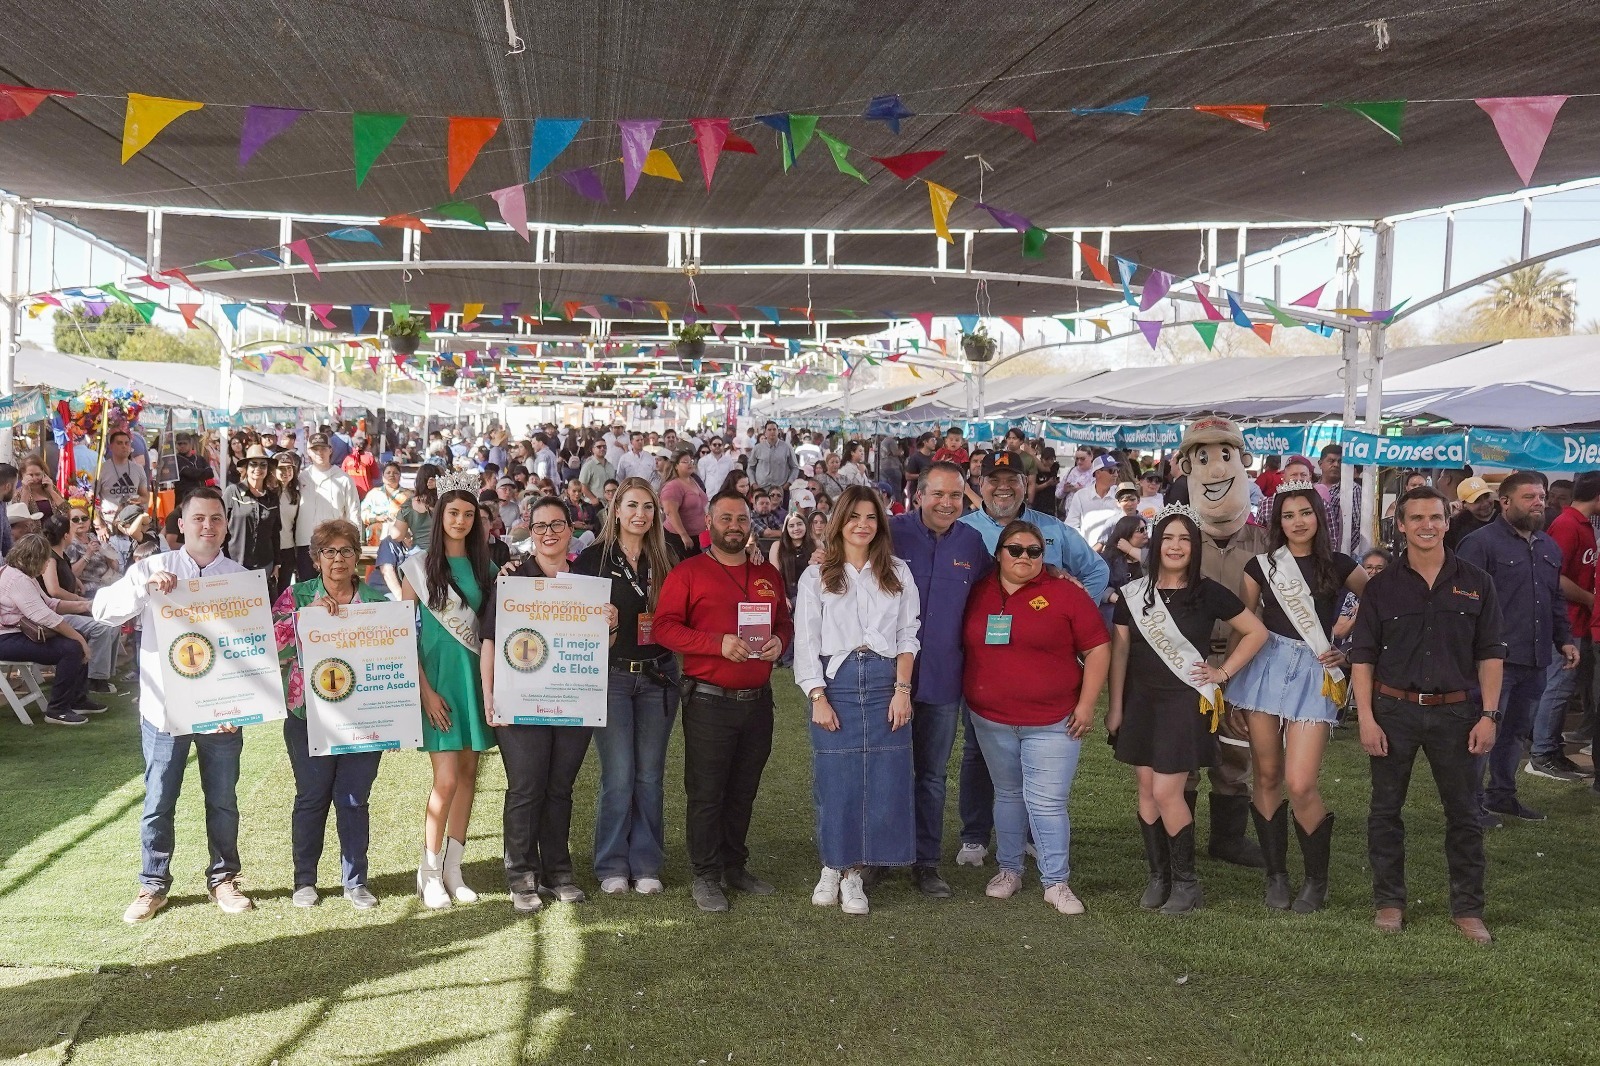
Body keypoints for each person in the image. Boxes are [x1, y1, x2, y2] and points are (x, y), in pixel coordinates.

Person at [1350, 487, 1505, 944]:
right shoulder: (1381, 587)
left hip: (1457, 713)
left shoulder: (1477, 581)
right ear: (1400, 525)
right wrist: (1366, 718)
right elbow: (1363, 657)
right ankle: (1389, 903)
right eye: (1416, 518)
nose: (1426, 526)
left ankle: (1468, 909)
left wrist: (1489, 715)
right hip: (1393, 711)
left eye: (1435, 517)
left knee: (1464, 813)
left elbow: (1491, 653)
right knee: (1385, 811)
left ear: (1446, 521)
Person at [93, 488, 254, 922]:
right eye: (198, 518)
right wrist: (143, 590)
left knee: (222, 799)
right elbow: (102, 611)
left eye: (216, 518)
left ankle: (223, 879)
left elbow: (250, 650)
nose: (208, 526)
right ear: (181, 524)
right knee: (159, 799)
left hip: (220, 712)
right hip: (164, 708)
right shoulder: (152, 568)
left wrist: (240, 705)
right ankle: (152, 884)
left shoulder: (240, 579)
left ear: (226, 525)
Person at [1107, 505, 1268, 914]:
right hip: (1141, 701)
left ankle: (1187, 883)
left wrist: (1223, 671)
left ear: (1194, 546)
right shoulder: (1133, 594)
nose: (1175, 546)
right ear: (1156, 543)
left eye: (1185, 539)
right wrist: (1116, 707)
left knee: (1167, 791)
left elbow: (1256, 631)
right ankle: (1158, 876)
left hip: (1184, 701)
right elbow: (1120, 654)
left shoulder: (1207, 592)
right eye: (1168, 538)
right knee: (1147, 791)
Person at [954, 449, 1108, 867]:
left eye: (1013, 480)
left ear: (1027, 484)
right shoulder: (963, 530)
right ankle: (975, 835)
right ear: (980, 484)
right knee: (977, 752)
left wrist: (1072, 618)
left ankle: (1028, 838)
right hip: (985, 670)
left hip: (1041, 667)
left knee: (1034, 761)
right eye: (994, 479)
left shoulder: (1052, 530)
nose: (1003, 487)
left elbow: (1097, 571)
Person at [1230, 484, 1368, 912]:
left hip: (1314, 671)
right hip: (1265, 671)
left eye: (1305, 512)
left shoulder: (1341, 565)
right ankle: (1276, 875)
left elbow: (1381, 607)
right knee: (1267, 776)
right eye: (1288, 515)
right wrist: (1231, 687)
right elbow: (1243, 626)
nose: (1297, 522)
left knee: (1301, 781)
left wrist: (1349, 651)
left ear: (1319, 517)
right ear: (1278, 523)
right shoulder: (1260, 567)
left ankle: (1315, 881)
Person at [653, 489, 792, 912]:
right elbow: (664, 627)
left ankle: (734, 865)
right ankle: (706, 874)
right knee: (707, 792)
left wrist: (778, 641)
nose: (734, 526)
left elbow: (784, 622)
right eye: (726, 518)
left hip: (758, 701)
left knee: (743, 789)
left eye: (741, 519)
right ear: (708, 523)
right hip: (709, 702)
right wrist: (717, 644)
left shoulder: (766, 573)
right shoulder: (689, 572)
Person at [795, 486, 921, 916]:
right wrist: (817, 696)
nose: (862, 525)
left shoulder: (898, 572)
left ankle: (854, 874)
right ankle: (833, 865)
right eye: (854, 517)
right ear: (839, 522)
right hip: (838, 682)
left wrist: (902, 691)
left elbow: (908, 635)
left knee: (884, 778)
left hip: (886, 681)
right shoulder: (816, 575)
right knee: (836, 780)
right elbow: (806, 641)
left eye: (870, 517)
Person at [482, 496, 599, 912]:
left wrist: (612, 623)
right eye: (540, 526)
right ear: (530, 533)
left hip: (572, 700)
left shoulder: (587, 582)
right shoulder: (512, 580)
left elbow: (600, 645)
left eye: (557, 525)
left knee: (560, 789)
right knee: (526, 788)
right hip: (520, 699)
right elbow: (490, 641)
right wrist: (489, 695)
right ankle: (521, 876)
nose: (549, 533)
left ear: (571, 529)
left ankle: (558, 872)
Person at [1173, 416, 1271, 868]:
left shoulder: (1265, 542)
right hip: (1188, 661)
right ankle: (1179, 838)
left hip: (1246, 660)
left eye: (1225, 456)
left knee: (1236, 750)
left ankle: (1227, 839)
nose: (1214, 469)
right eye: (1202, 458)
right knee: (1185, 751)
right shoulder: (1179, 541)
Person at [272, 519, 386, 910]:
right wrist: (307, 618)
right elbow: (272, 647)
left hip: (364, 718)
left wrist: (395, 719)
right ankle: (304, 880)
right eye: (329, 551)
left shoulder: (376, 604)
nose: (338, 559)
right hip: (308, 715)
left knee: (354, 799)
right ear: (316, 558)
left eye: (347, 550)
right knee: (312, 797)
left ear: (357, 557)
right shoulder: (297, 596)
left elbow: (395, 661)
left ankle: (356, 882)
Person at [574, 478, 680, 896]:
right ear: (616, 510)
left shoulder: (668, 556)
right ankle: (612, 864)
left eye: (648, 507)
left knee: (650, 776)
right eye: (632, 505)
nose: (640, 514)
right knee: (618, 775)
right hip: (611, 677)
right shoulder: (593, 559)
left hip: (659, 676)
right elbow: (570, 615)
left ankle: (647, 863)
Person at [398, 471, 496, 909]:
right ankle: (430, 870)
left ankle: (454, 869)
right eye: (453, 513)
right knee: (447, 779)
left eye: (468, 514)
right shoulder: (418, 567)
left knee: (470, 776)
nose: (460, 521)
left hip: (473, 681)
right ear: (440, 516)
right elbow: (401, 635)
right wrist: (425, 692)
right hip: (437, 683)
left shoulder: (486, 568)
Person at [1456, 471, 1576, 824]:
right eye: (1530, 497)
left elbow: (1555, 599)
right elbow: (1462, 603)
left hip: (1535, 657)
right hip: (1492, 661)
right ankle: (1469, 806)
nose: (1539, 503)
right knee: (1482, 734)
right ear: (1505, 502)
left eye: (1541, 496)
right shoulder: (1479, 544)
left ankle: (1502, 796)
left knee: (1516, 733)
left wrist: (1565, 639)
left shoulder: (1548, 546)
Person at [1527, 469, 1600, 782]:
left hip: (1577, 620)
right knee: (1557, 687)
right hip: (1565, 620)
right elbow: (1554, 577)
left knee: (1564, 687)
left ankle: (1552, 750)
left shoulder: (1580, 524)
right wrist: (1591, 599)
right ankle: (1542, 753)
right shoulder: (1568, 524)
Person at [0, 534, 97, 726]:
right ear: (35, 559)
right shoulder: (18, 580)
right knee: (72, 648)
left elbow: (50, 604)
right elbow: (48, 618)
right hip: (5, 640)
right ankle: (57, 710)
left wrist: (84, 605)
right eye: (46, 559)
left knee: (76, 641)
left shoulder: (19, 574)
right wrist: (81, 642)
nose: (47, 564)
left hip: (13, 635)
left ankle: (77, 700)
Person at [37, 510, 123, 696]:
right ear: (66, 535)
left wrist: (75, 582)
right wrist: (80, 600)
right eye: (73, 524)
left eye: (83, 518)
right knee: (103, 626)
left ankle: (103, 673)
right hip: (56, 613)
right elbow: (54, 590)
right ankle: (95, 679)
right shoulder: (50, 557)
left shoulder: (61, 555)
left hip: (70, 607)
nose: (79, 525)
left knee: (113, 620)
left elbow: (66, 575)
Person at [296, 434, 360, 580]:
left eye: (323, 449)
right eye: (315, 449)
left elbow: (354, 512)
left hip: (334, 544)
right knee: (308, 587)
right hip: (305, 542)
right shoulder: (301, 478)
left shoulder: (343, 479)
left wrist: (354, 544)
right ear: (308, 452)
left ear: (330, 450)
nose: (320, 453)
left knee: (335, 586)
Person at [223, 444, 281, 578]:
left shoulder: (272, 497)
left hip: (264, 564)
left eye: (263, 465)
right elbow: (221, 527)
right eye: (253, 464)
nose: (258, 468)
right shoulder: (232, 492)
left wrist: (277, 563)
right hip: (234, 563)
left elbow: (275, 532)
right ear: (246, 467)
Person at [1097, 514, 1147, 631]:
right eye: (1141, 530)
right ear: (1126, 534)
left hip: (1147, 607)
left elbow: (1156, 564)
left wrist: (1131, 550)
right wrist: (1119, 601)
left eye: (1146, 528)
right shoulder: (1108, 558)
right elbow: (1100, 586)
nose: (1145, 533)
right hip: (1117, 607)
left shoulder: (1151, 553)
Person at [1064, 455, 1122, 547]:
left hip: (1114, 551)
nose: (1116, 474)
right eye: (1111, 471)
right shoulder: (1081, 495)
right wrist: (1082, 547)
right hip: (1087, 550)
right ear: (1098, 473)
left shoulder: (1120, 495)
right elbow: (1071, 525)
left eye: (1117, 471)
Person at [660, 451, 709, 560]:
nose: (690, 464)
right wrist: (684, 535)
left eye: (691, 461)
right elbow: (671, 512)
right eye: (685, 462)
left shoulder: (692, 480)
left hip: (698, 536)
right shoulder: (673, 486)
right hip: (679, 538)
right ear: (676, 466)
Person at [96, 429, 152, 511]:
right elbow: (92, 496)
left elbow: (145, 497)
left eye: (127, 443)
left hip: (132, 515)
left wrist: (139, 499)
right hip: (109, 515)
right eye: (119, 443)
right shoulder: (101, 470)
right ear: (111, 447)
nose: (124, 446)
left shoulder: (138, 469)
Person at [1445, 476, 1498, 551]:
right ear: (1464, 504)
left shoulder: (1507, 514)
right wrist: (1448, 517)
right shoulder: (1458, 525)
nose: (1485, 503)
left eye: (1486, 496)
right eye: (1477, 500)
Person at [361, 462, 407, 543]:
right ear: (382, 476)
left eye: (395, 473)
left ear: (400, 476)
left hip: (400, 539)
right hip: (375, 540)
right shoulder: (373, 494)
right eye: (388, 472)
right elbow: (363, 513)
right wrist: (376, 518)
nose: (391, 475)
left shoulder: (407, 495)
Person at [399, 463, 440, 553]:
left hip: (418, 553)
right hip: (442, 552)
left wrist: (407, 535)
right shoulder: (447, 502)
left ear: (418, 481)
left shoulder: (409, 504)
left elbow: (398, 535)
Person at [750, 422, 798, 491]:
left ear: (778, 431)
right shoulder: (758, 448)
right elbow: (750, 468)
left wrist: (788, 483)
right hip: (761, 489)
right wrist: (753, 484)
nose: (772, 432)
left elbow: (795, 468)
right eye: (769, 430)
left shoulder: (787, 447)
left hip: (780, 489)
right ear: (765, 432)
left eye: (774, 429)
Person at [577, 440, 616, 507]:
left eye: (604, 447)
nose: (602, 449)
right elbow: (582, 485)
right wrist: (592, 498)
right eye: (599, 447)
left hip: (609, 504)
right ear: (593, 449)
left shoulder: (610, 466)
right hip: (594, 504)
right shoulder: (588, 466)